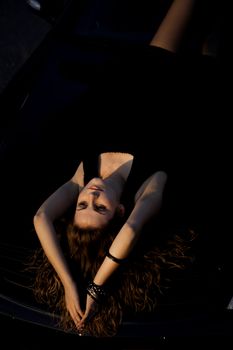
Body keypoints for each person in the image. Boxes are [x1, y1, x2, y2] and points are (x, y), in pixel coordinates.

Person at [30, 0, 216, 337]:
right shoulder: (149, 187)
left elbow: (40, 218)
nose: (91, 195)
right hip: (198, 80)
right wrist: (95, 290)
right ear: (119, 210)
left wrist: (69, 282)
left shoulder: (82, 175)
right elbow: (129, 231)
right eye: (99, 207)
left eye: (82, 204)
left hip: (152, 65)